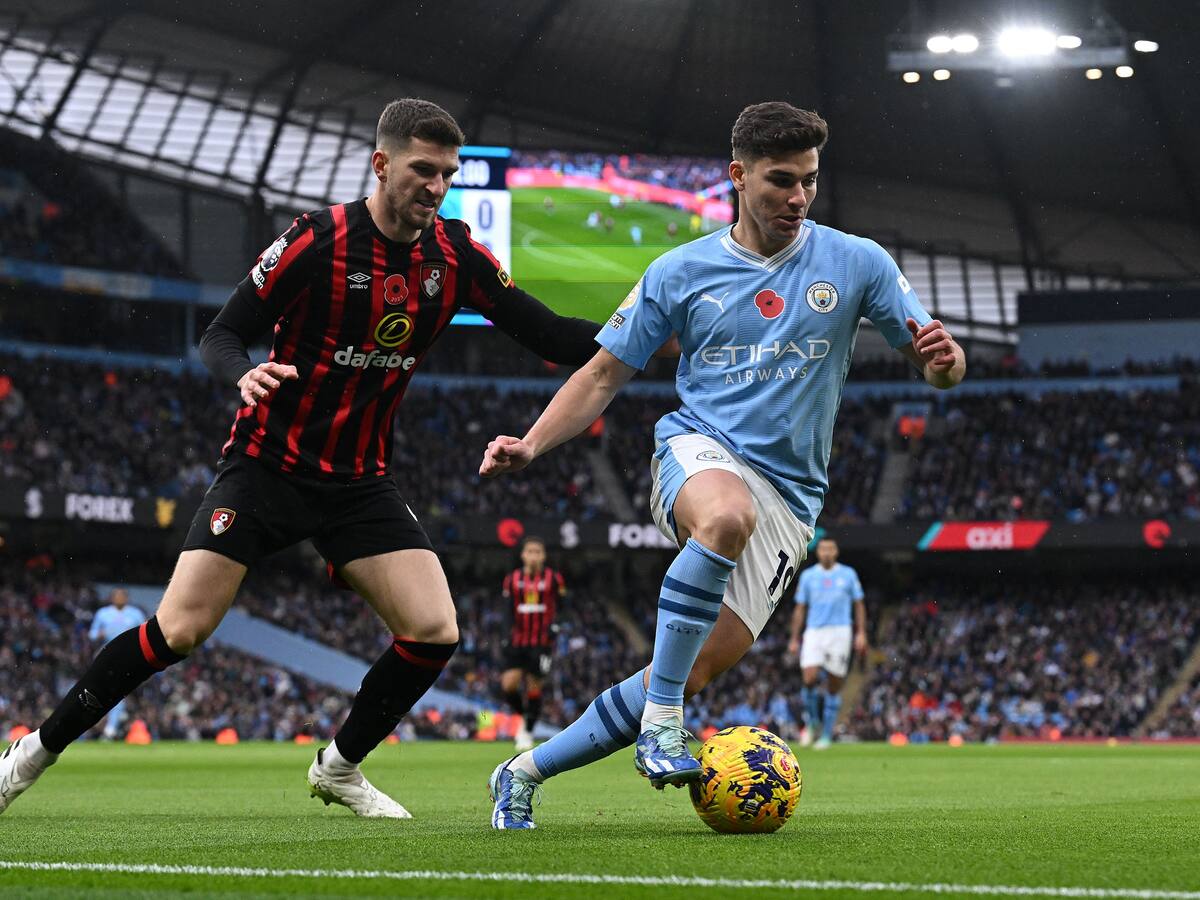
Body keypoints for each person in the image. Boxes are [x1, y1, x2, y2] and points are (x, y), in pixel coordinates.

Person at [0, 98, 607, 820]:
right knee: (180, 630)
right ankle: (32, 752)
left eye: (447, 173)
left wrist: (649, 327)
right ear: (381, 165)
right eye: (422, 170)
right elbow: (224, 332)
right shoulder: (316, 241)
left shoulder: (455, 257)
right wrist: (242, 373)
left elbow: (551, 335)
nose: (436, 187)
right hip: (266, 468)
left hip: (357, 483)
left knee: (435, 630)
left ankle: (340, 766)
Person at [481, 100, 965, 828]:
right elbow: (602, 375)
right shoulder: (680, 271)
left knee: (693, 667)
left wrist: (947, 365)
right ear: (737, 176)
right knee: (725, 516)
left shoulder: (858, 261)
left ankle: (521, 771)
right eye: (779, 181)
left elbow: (936, 364)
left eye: (808, 180)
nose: (797, 197)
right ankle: (663, 723)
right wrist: (532, 442)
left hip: (793, 497)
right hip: (699, 448)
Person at [786, 537, 866, 749]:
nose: (827, 553)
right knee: (809, 678)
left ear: (836, 551)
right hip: (814, 631)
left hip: (840, 631)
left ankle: (826, 735)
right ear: (818, 552)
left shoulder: (848, 574)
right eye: (823, 549)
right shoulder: (808, 576)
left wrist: (861, 633)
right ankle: (812, 722)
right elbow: (800, 608)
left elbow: (859, 605)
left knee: (833, 685)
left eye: (830, 548)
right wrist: (794, 638)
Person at [499, 537, 565, 752]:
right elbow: (507, 610)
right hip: (518, 640)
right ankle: (523, 715)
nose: (534, 555)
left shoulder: (554, 579)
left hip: (541, 641)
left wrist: (556, 626)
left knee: (534, 686)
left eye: (538, 551)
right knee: (508, 685)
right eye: (530, 551)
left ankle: (527, 730)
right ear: (523, 555)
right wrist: (504, 634)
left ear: (543, 556)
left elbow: (563, 606)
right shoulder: (512, 579)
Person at [86, 588, 146, 741]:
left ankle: (111, 727)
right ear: (111, 598)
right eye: (116, 596)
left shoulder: (135, 614)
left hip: (128, 656)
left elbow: (145, 633)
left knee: (118, 692)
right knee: (104, 691)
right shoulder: (103, 613)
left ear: (126, 598)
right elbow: (92, 634)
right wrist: (100, 634)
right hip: (106, 653)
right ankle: (108, 725)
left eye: (122, 596)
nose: (119, 599)